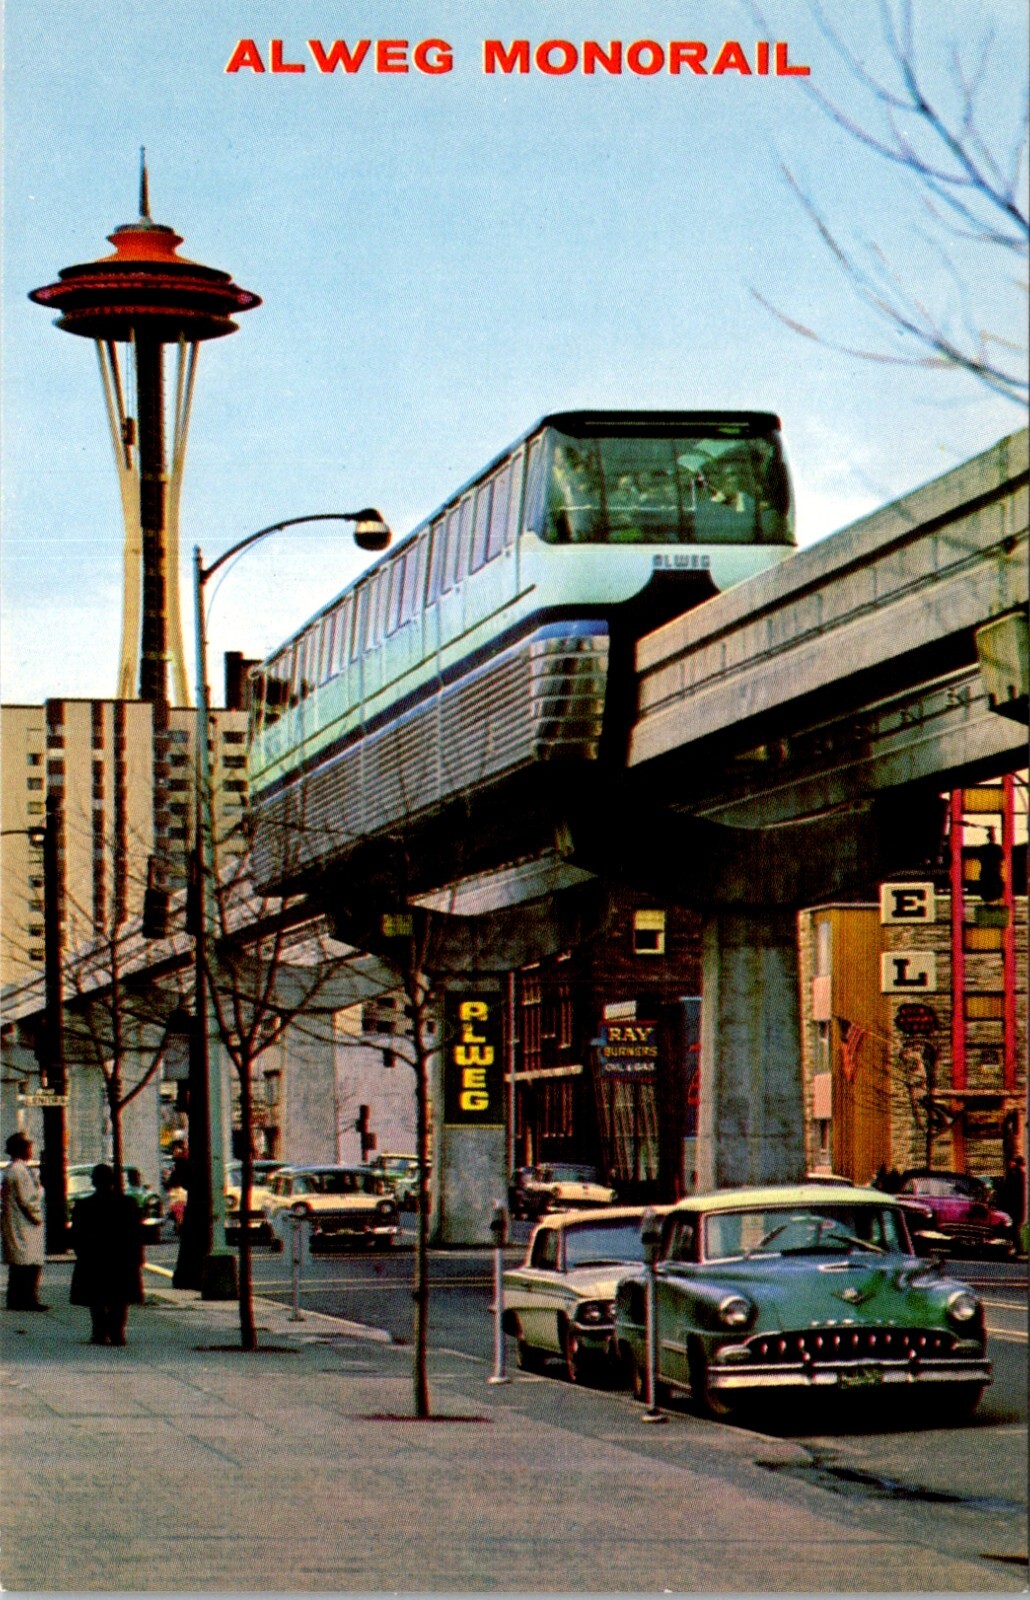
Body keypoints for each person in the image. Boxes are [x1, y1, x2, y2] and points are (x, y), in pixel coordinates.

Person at [70, 1164, 144, 1346]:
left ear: (93, 1182)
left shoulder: (83, 1206)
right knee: (119, 1299)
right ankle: (117, 1332)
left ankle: (100, 1331)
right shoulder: (128, 1204)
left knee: (96, 1298)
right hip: (121, 1259)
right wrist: (137, 1256)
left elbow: (76, 1236)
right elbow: (136, 1234)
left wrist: (82, 1254)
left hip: (94, 1259)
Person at [1, 1132, 47, 1311]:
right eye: (28, 1147)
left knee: (23, 1262)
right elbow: (28, 1200)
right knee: (26, 1263)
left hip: (20, 1223)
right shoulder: (18, 1171)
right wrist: (37, 1216)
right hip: (24, 1223)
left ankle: (19, 1299)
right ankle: (26, 1299)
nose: (31, 1151)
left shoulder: (15, 1170)